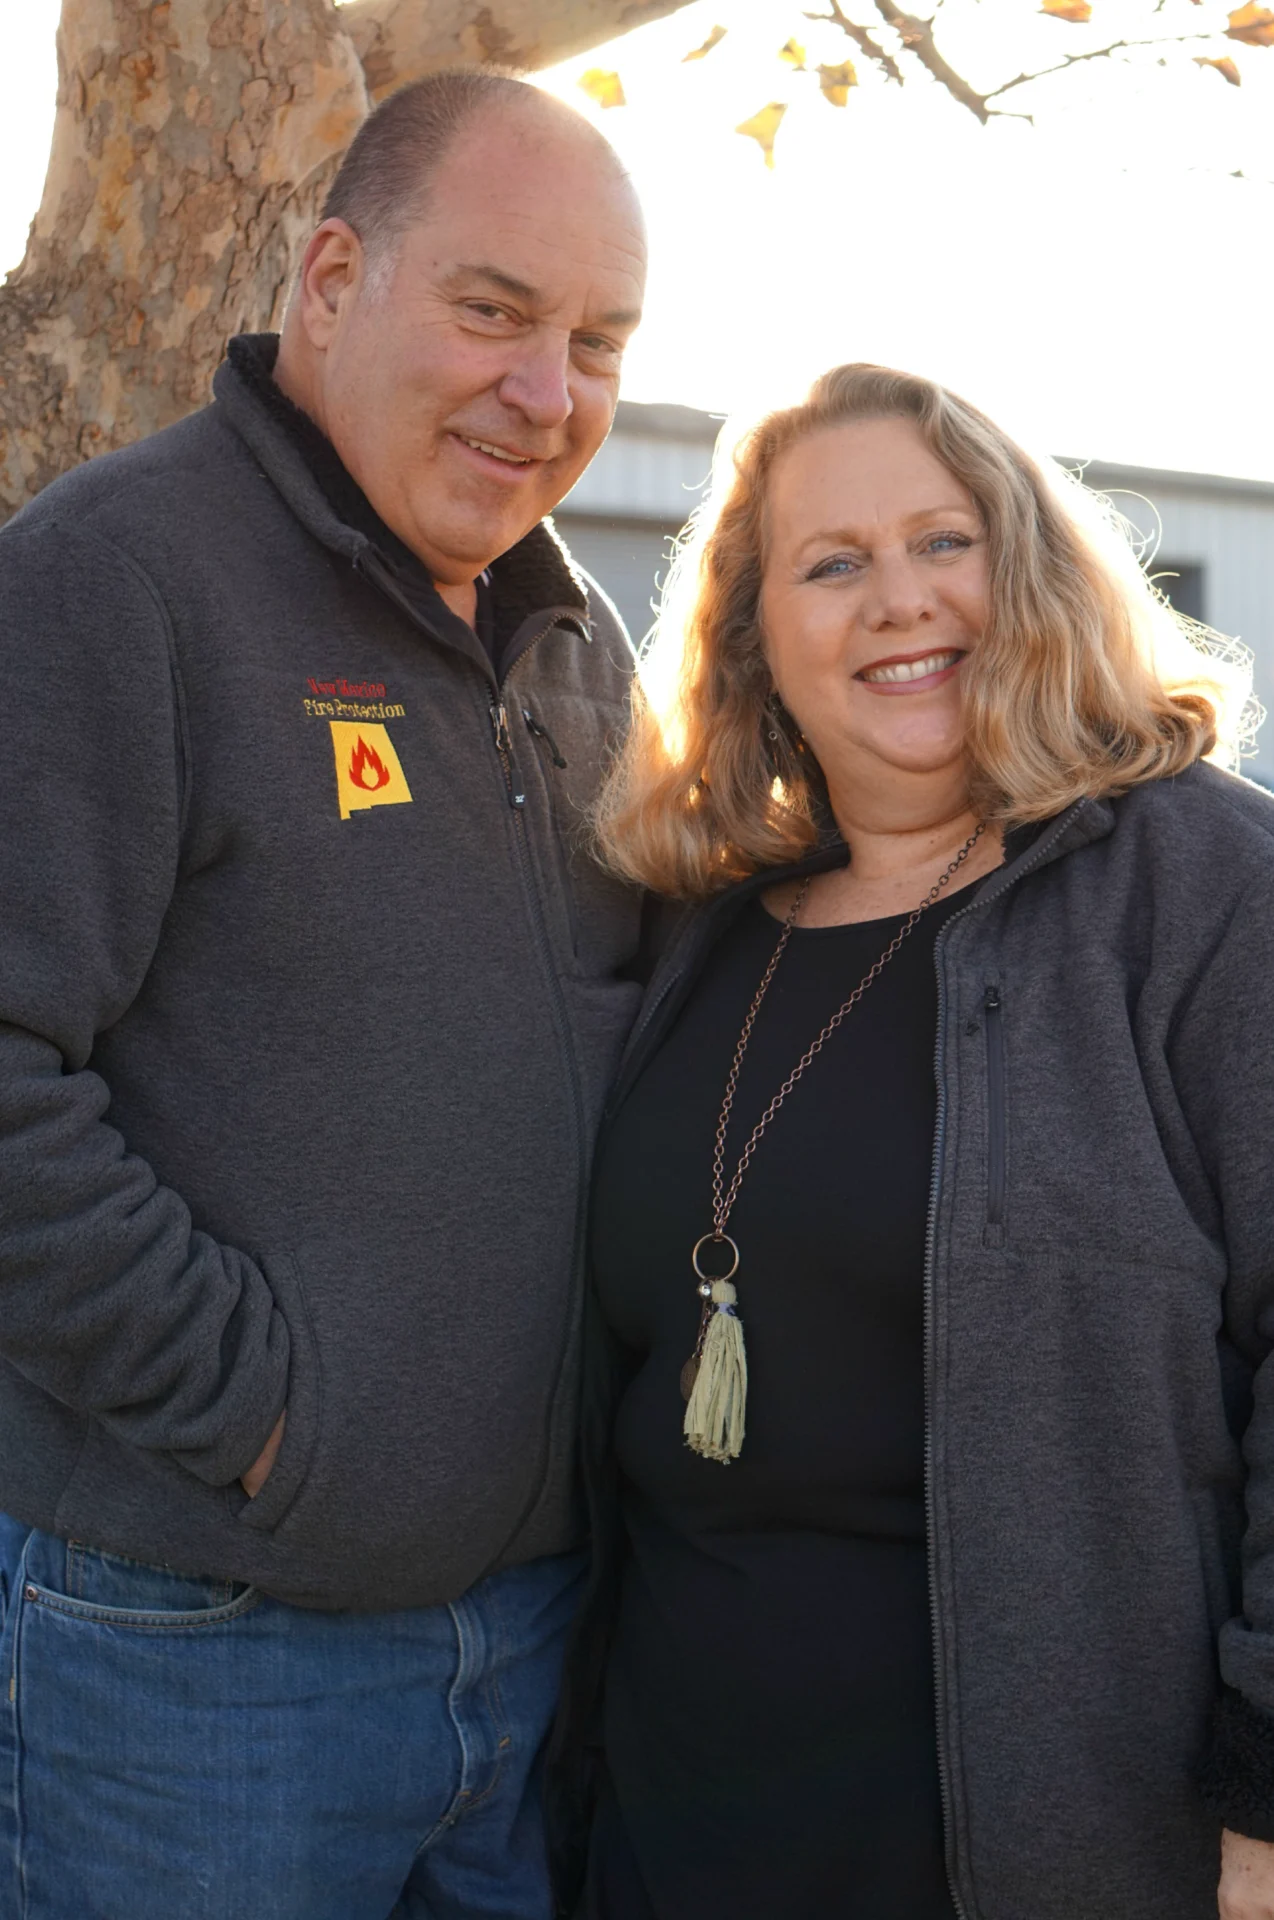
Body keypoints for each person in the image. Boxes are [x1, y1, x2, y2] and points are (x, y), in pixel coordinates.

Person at [0, 70, 647, 1920]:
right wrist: (264, 1415)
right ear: (335, 275)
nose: (550, 395)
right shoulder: (114, 581)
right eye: (495, 311)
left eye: (598, 343)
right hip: (196, 1657)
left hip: (526, 1649)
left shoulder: (569, 637)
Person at [550, 363, 1274, 1920]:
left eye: (940, 542)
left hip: (1050, 1830)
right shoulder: (695, 929)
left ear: (1022, 570)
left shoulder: (1195, 886)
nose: (897, 600)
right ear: (753, 640)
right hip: (679, 1816)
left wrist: (1265, 1789)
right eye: (831, 563)